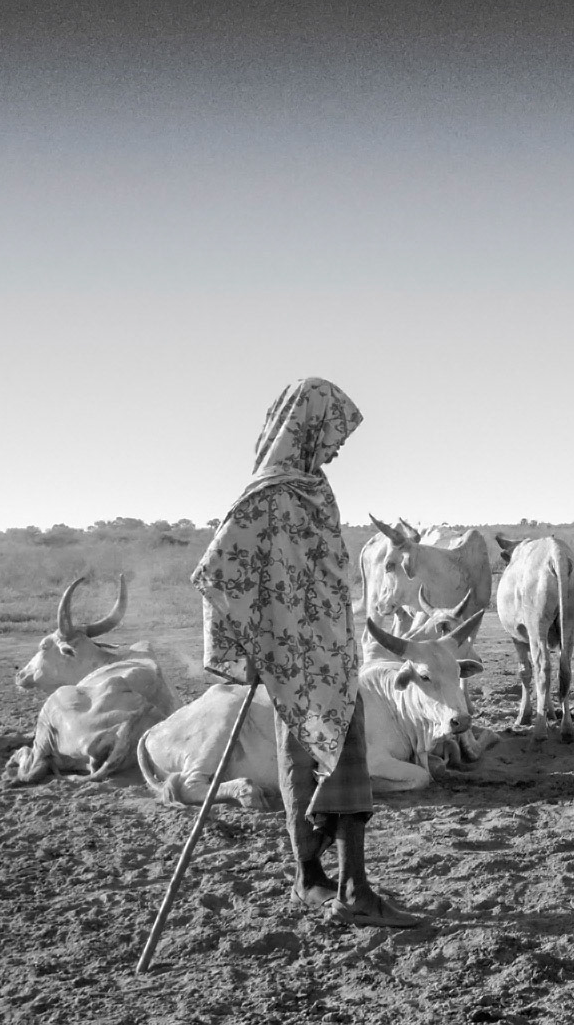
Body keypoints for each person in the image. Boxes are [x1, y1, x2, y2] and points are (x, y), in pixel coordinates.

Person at [192, 377, 418, 928]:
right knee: (338, 757)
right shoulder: (266, 496)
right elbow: (216, 570)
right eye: (334, 431)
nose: (338, 445)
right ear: (307, 426)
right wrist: (248, 643)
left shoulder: (309, 487)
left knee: (312, 758)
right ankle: (350, 889)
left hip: (327, 655)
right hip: (298, 660)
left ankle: (312, 878)